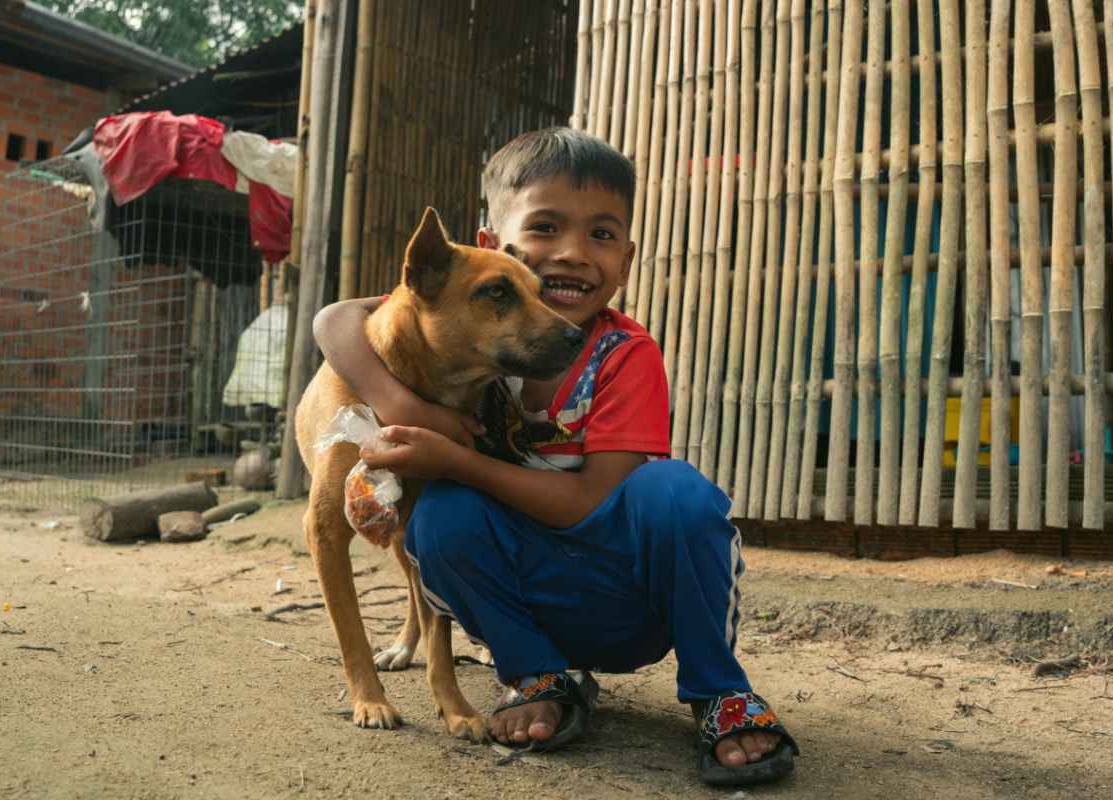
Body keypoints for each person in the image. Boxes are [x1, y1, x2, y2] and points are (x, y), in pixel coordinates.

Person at [313, 127, 798, 787]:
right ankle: (542, 675)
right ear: (491, 249)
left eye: (601, 235)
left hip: (629, 603)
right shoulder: (476, 340)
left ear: (626, 259)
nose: (572, 254)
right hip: (525, 608)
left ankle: (719, 689)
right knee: (438, 521)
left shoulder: (623, 356)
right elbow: (338, 318)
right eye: (545, 227)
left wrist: (453, 457)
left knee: (675, 493)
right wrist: (408, 409)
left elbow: (587, 502)